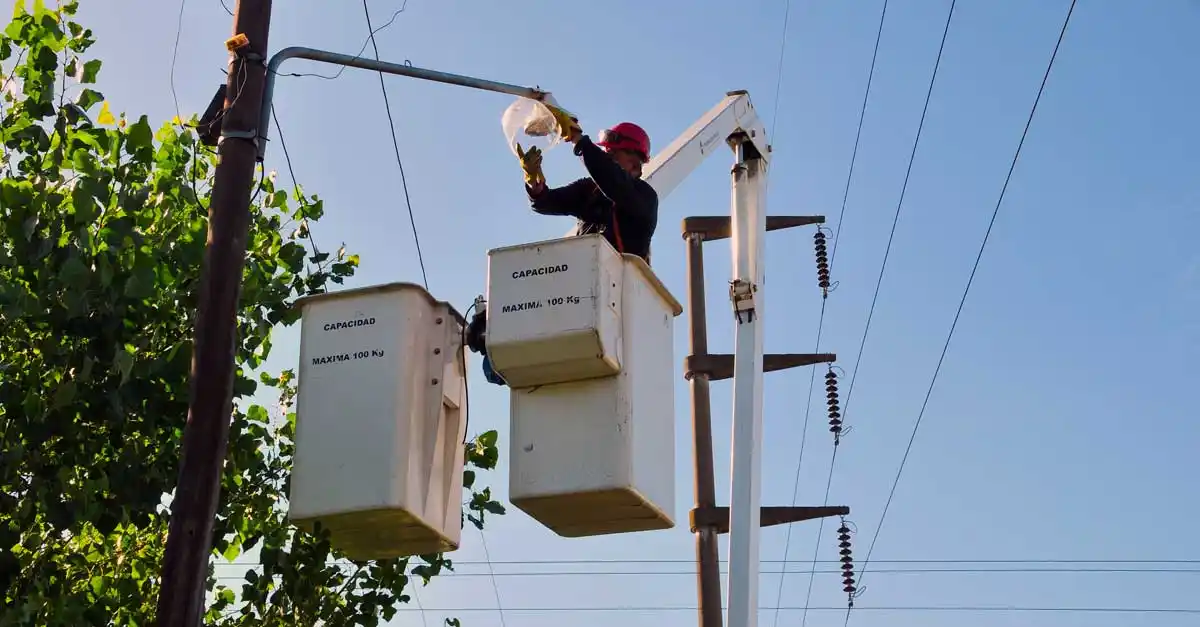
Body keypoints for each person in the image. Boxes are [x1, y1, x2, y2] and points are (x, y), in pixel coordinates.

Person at [466, 106, 658, 386]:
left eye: (613, 154)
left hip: (618, 302)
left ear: (636, 164)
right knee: (494, 363)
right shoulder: (590, 191)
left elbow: (613, 183)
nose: (607, 159)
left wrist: (581, 143)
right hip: (582, 294)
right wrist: (535, 181)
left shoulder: (643, 198)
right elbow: (546, 202)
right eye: (606, 154)